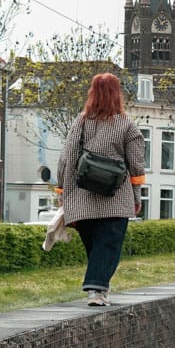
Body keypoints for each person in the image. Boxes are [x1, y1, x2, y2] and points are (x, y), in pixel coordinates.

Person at [55, 72, 145, 307]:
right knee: (109, 246)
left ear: (92, 93)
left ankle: (100, 288)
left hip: (82, 197)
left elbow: (67, 157)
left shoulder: (81, 122)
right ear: (118, 95)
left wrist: (62, 191)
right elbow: (135, 164)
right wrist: (137, 196)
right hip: (115, 197)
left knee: (96, 248)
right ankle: (96, 289)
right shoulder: (126, 125)